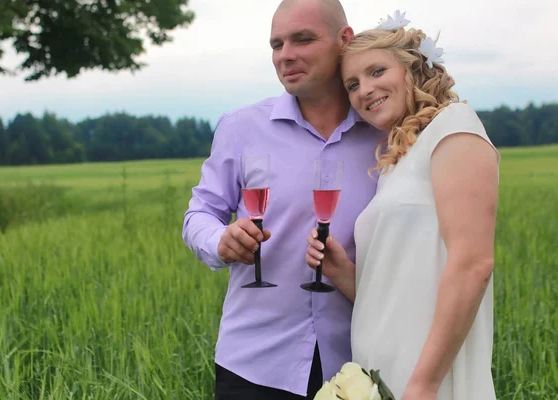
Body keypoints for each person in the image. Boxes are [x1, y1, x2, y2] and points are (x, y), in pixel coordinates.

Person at [182, 0, 386, 398]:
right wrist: (219, 240)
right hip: (254, 365)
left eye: (303, 39)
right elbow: (199, 214)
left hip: (360, 368)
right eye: (276, 45)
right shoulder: (241, 128)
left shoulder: (386, 134)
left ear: (345, 40)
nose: (286, 55)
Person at [305, 12, 499, 400]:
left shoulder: (453, 128)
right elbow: (395, 294)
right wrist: (343, 272)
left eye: (377, 71)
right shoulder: (397, 161)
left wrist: (424, 384)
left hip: (426, 379)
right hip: (380, 375)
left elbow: (473, 265)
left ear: (414, 68)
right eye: (352, 84)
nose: (365, 90)